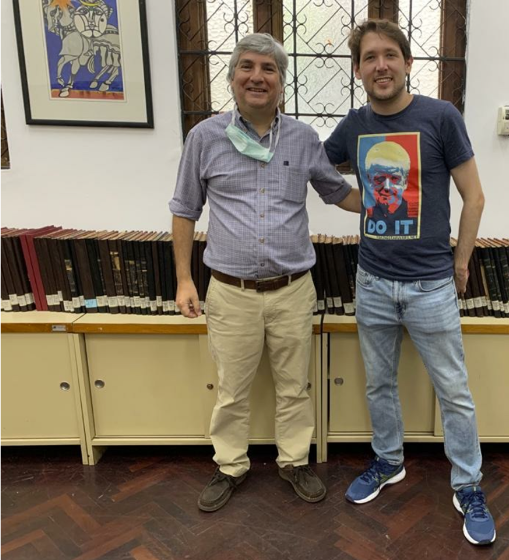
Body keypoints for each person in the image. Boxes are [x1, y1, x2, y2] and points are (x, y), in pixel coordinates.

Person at [169, 33, 360, 512]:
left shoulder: (303, 138)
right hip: (229, 292)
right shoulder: (204, 138)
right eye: (247, 67)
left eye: (269, 69)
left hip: (292, 290)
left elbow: (337, 192)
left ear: (281, 81)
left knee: (295, 385)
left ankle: (294, 461)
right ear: (232, 77)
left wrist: (393, 204)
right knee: (231, 389)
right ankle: (231, 465)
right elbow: (184, 210)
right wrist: (184, 279)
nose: (258, 76)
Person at [324, 20, 496, 545]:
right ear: (358, 70)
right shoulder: (354, 127)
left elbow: (475, 197)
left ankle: (468, 485)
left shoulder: (440, 117)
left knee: (454, 392)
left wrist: (461, 264)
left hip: (430, 286)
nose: (381, 65)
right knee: (379, 384)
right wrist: (354, 200)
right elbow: (318, 170)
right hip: (372, 282)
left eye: (390, 55)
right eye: (370, 57)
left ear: (407, 63)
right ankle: (388, 460)